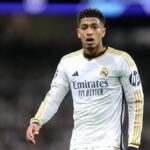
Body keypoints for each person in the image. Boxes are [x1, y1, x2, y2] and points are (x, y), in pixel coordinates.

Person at [26, 8, 144, 150]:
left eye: (94, 27)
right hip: (78, 145)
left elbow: (136, 102)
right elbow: (53, 98)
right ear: (78, 33)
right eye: (84, 27)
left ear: (103, 32)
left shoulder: (121, 60)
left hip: (109, 145)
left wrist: (133, 143)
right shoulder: (67, 63)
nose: (89, 32)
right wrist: (37, 121)